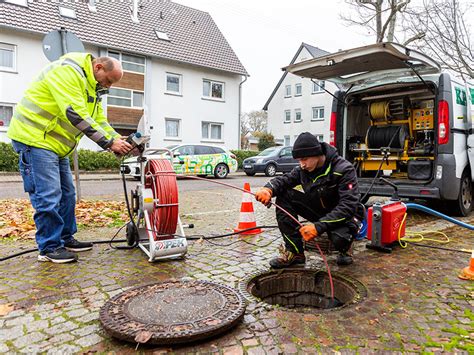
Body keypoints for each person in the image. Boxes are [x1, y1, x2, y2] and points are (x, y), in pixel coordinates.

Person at [7, 52, 133, 263]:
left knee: (67, 193)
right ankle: (48, 247)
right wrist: (109, 143)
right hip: (35, 138)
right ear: (99, 67)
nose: (109, 87)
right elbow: (74, 113)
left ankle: (65, 238)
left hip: (56, 145)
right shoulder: (67, 72)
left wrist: (118, 139)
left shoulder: (92, 87)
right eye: (109, 81)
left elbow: (98, 119)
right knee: (48, 195)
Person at [255, 132, 364, 268]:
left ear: (317, 153)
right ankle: (295, 252)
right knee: (284, 196)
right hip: (320, 209)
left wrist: (318, 227)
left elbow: (348, 206)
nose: (302, 165)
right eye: (299, 160)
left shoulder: (344, 169)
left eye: (305, 159)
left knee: (339, 239)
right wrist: (268, 189)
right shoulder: (303, 169)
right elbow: (285, 180)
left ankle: (345, 249)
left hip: (345, 216)